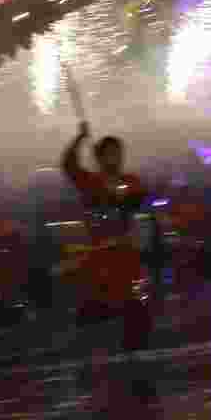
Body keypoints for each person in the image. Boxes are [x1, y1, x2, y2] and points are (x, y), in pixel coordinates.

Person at [61, 123, 152, 354]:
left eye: (118, 154)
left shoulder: (129, 181)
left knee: (136, 305)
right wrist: (80, 138)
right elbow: (68, 165)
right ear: (100, 158)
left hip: (126, 255)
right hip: (100, 255)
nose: (116, 158)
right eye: (111, 154)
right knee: (95, 307)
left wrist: (117, 193)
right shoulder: (90, 183)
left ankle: (135, 352)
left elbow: (136, 197)